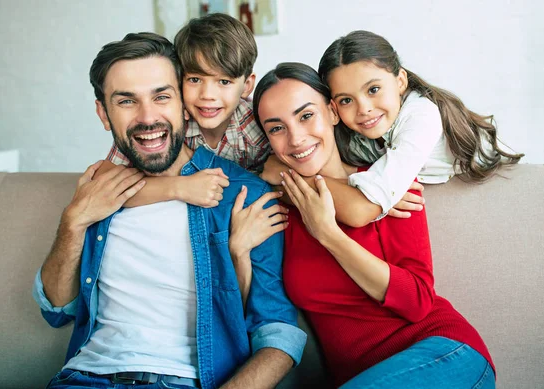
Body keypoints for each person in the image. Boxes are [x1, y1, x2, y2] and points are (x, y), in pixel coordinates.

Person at [32, 32, 306, 389]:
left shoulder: (245, 195)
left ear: (181, 102)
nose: (148, 118)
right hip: (84, 379)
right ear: (103, 113)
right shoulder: (100, 192)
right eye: (127, 101)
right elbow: (56, 310)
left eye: (161, 96)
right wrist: (73, 221)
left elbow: (279, 334)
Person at [247, 62, 495, 388]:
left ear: (333, 112)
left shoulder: (385, 186)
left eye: (306, 116)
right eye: (277, 128)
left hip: (445, 354)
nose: (295, 138)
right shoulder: (278, 206)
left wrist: (329, 234)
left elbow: (418, 300)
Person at [317, 30, 523, 220]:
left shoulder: (422, 117)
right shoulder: (358, 127)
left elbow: (364, 206)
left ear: (400, 82)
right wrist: (382, 188)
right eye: (346, 100)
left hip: (501, 187)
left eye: (373, 89)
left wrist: (382, 193)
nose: (363, 109)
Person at [102, 13, 270, 210]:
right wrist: (179, 187)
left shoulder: (256, 124)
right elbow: (105, 185)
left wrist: (276, 168)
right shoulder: (166, 122)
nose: (207, 95)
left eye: (224, 82)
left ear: (247, 86)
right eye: (195, 80)